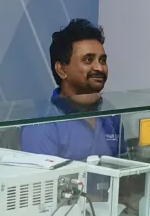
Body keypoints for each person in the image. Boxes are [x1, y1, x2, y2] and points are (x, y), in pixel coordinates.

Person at [20, 19, 125, 163]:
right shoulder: (43, 123)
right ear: (62, 70)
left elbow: (123, 167)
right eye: (88, 60)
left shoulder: (110, 114)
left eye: (102, 60)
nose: (99, 68)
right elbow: (41, 177)